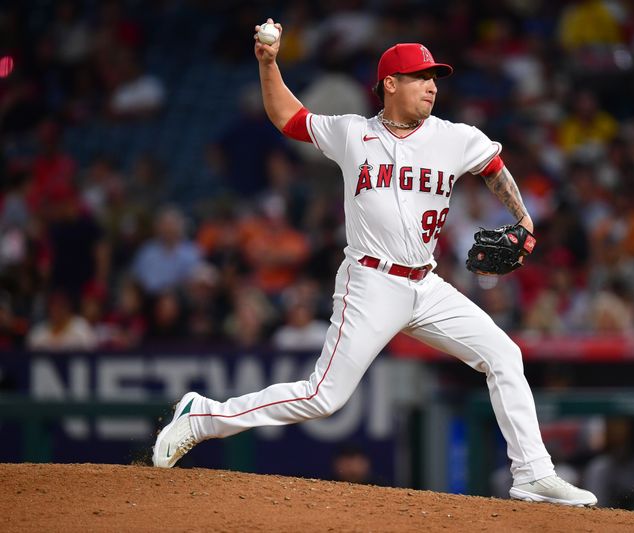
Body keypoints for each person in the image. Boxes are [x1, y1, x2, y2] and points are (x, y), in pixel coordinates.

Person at [153, 18, 597, 507]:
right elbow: (287, 117)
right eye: (421, 77)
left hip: (427, 286)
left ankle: (533, 472)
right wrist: (269, 63)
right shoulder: (353, 134)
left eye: (435, 78)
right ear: (391, 83)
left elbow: (494, 169)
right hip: (371, 282)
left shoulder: (455, 137)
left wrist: (524, 219)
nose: (432, 86)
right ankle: (202, 416)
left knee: (503, 355)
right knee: (324, 396)